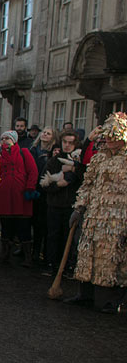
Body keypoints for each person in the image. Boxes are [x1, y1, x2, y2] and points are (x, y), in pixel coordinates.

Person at [66, 112, 127, 313]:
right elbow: (87, 184)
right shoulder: (99, 158)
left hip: (117, 220)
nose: (108, 140)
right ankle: (85, 293)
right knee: (86, 254)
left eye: (113, 137)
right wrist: (79, 207)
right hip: (93, 216)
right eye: (106, 136)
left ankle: (112, 300)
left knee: (112, 257)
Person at [39, 130, 84, 276]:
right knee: (52, 235)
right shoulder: (54, 161)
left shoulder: (79, 163)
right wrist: (58, 185)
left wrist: (74, 170)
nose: (67, 145)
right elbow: (43, 184)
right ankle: (50, 264)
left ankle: (67, 266)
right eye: (65, 142)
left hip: (71, 205)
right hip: (54, 205)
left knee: (69, 237)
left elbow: (84, 180)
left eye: (71, 143)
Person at [0, 131, 38, 267]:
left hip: (20, 194)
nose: (5, 140)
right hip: (4, 195)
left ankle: (28, 257)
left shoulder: (23, 152)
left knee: (23, 226)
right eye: (3, 138)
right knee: (6, 225)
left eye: (8, 138)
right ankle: (5, 254)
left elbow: (33, 171)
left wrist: (30, 187)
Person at [30, 126, 58, 268]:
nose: (45, 135)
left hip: (46, 191)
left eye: (48, 133)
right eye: (44, 133)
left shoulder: (53, 153)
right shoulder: (33, 150)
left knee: (45, 224)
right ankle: (34, 251)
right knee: (35, 222)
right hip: (34, 189)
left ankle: (46, 254)